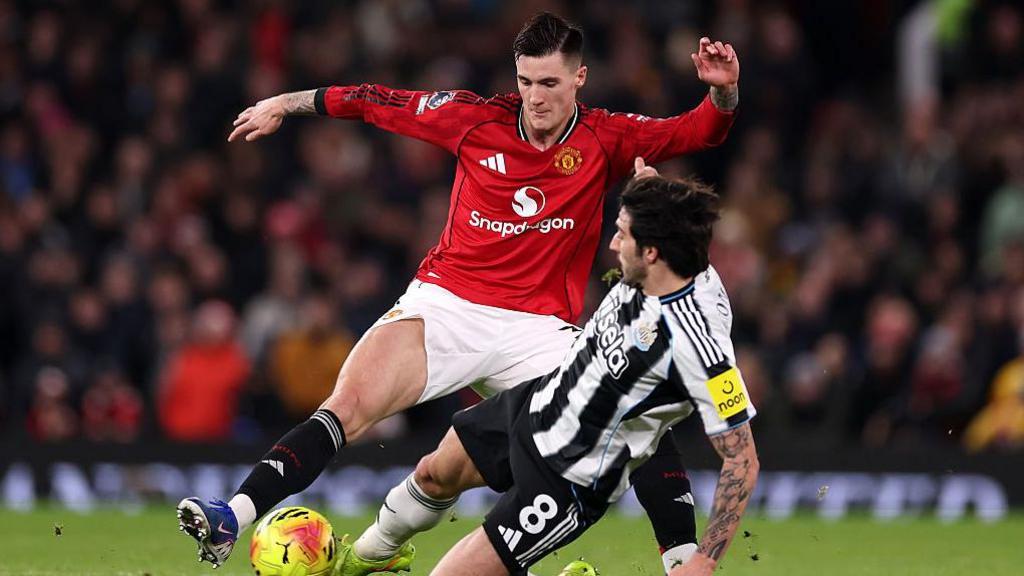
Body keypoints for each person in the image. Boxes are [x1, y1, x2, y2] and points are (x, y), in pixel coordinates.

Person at [176, 12, 741, 572]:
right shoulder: (474, 120)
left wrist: (723, 94)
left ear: (579, 79)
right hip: (445, 306)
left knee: (625, 400)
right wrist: (285, 103)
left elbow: (697, 130)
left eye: (549, 83)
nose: (535, 97)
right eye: (525, 82)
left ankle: (682, 561)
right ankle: (233, 515)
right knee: (346, 406)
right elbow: (376, 100)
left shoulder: (606, 136)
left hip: (539, 331)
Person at [340, 175, 759, 576]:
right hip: (536, 404)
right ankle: (365, 557)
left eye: (623, 234)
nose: (612, 242)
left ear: (651, 252)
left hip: (567, 476)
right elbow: (671, 211)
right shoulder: (664, 257)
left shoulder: (697, 344)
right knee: (434, 473)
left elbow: (742, 459)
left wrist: (703, 560)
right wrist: (648, 186)